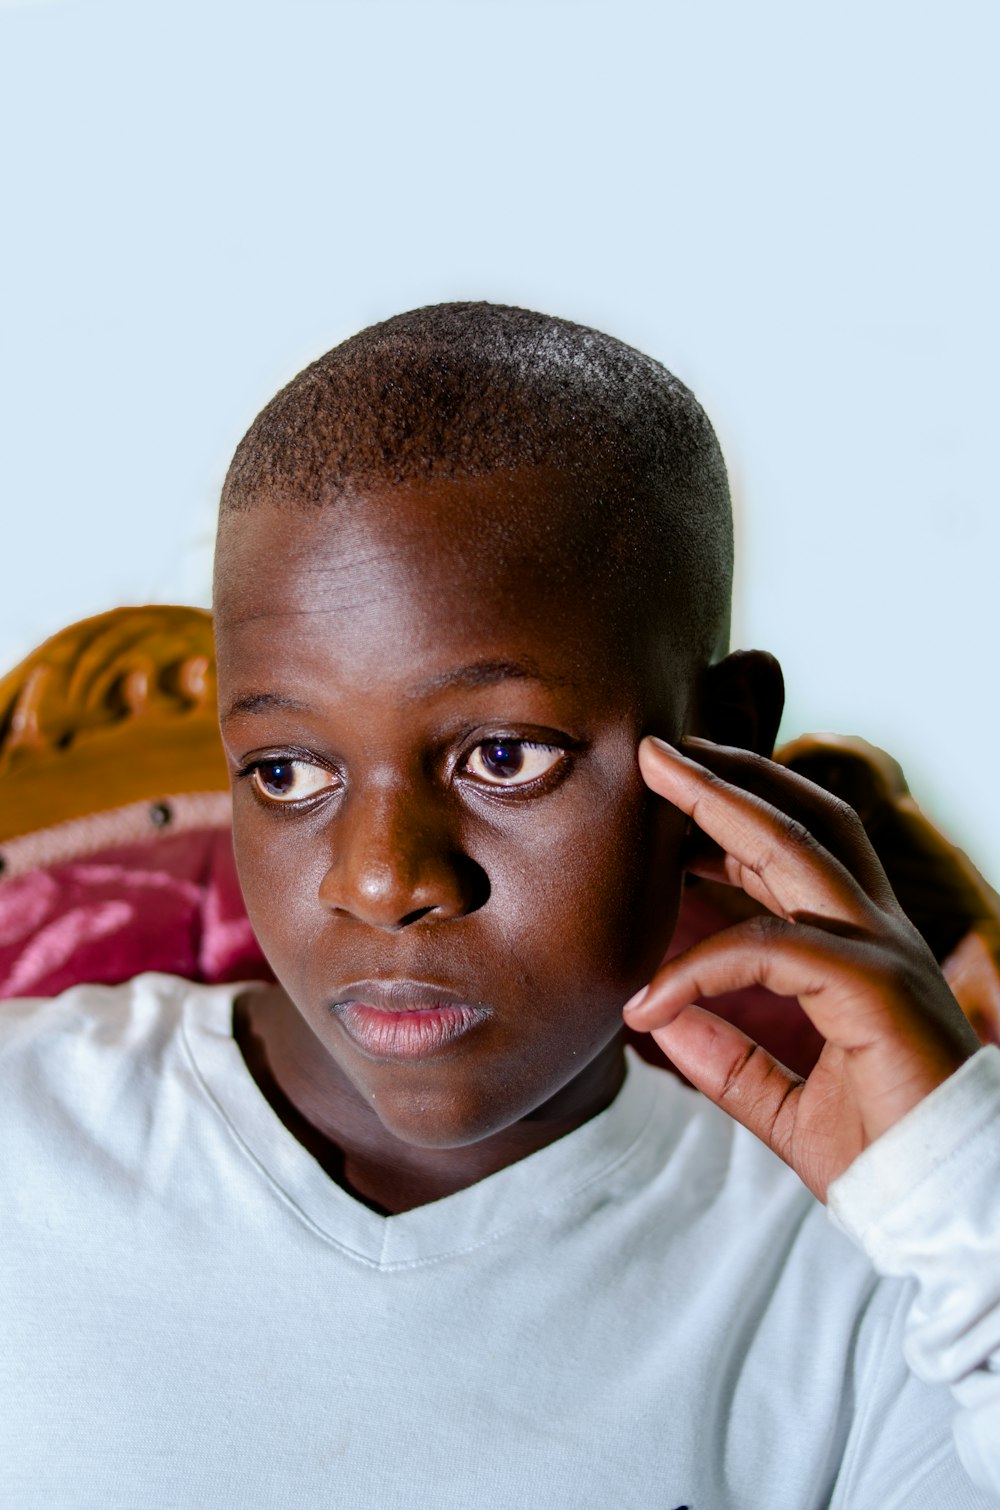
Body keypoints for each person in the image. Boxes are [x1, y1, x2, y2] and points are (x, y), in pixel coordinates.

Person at [2, 303, 998, 1508]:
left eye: (505, 757)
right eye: (287, 771)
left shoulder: (871, 1279)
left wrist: (960, 1190)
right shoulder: (26, 1135)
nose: (382, 879)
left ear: (723, 741)